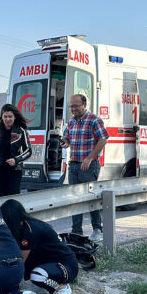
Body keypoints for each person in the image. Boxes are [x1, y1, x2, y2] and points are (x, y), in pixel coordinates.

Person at [0, 199, 78, 294]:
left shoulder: (30, 231)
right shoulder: (26, 226)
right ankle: (40, 285)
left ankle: (62, 289)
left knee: (36, 275)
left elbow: (20, 261)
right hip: (50, 263)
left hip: (66, 265)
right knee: (27, 267)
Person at [62, 94, 109, 242]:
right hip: (74, 165)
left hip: (89, 165)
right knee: (75, 199)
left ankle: (97, 229)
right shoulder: (71, 122)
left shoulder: (94, 120)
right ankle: (77, 231)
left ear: (84, 105)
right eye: (72, 106)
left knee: (91, 198)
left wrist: (89, 158)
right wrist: (64, 142)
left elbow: (103, 139)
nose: (73, 109)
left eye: (76, 106)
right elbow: (67, 139)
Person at [0, 104, 31, 197]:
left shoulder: (21, 131)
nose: (8, 119)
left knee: (13, 198)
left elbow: (28, 151)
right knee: (0, 198)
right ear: (2, 117)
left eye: (10, 116)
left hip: (15, 171)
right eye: (5, 116)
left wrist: (16, 160)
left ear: (15, 117)